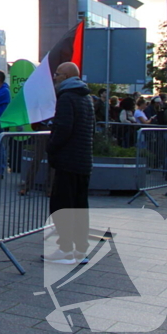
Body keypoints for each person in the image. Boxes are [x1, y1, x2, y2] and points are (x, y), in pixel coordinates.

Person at [43, 62, 94, 265]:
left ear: (65, 76)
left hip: (68, 159)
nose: (54, 78)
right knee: (80, 207)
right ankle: (80, 250)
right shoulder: (86, 97)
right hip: (83, 160)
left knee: (62, 205)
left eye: (56, 74)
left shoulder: (67, 97)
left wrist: (51, 147)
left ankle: (65, 250)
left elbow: (63, 128)